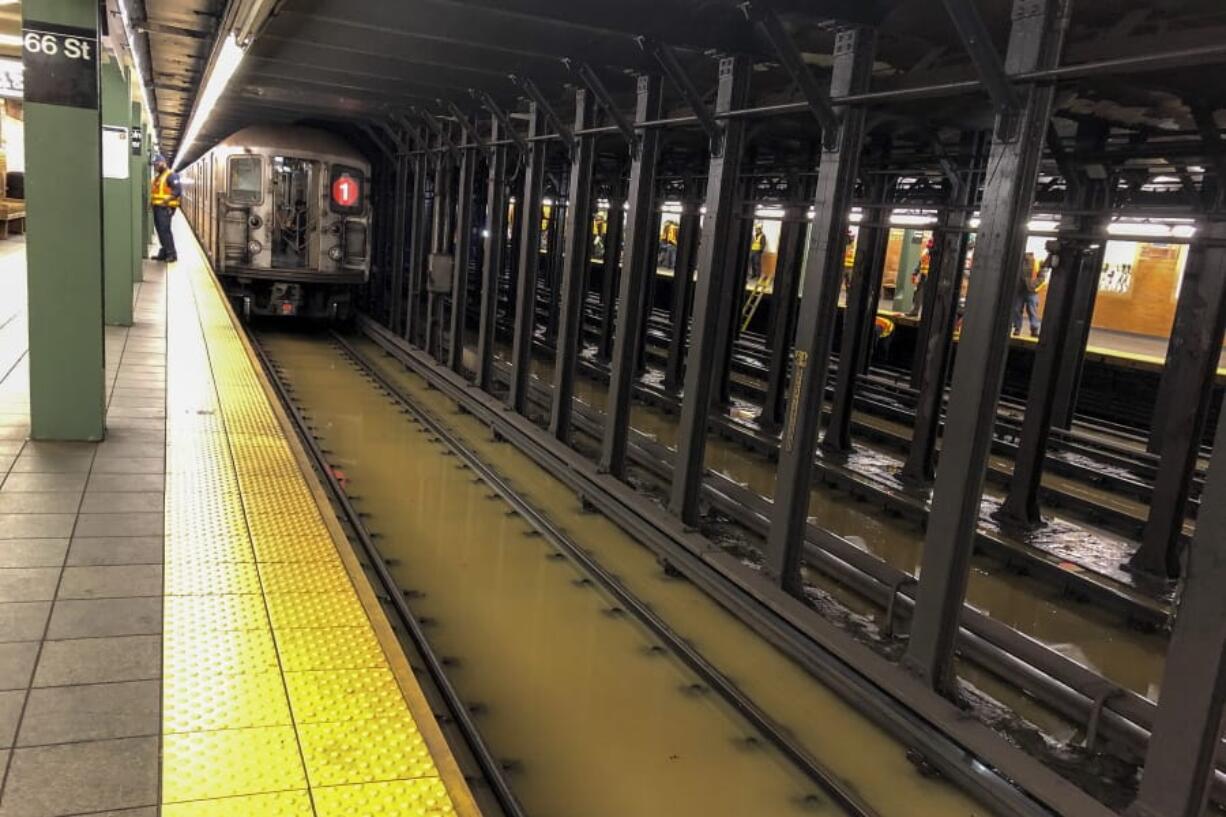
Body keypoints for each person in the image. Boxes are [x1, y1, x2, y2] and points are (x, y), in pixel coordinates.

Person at [150, 154, 182, 262]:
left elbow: (177, 191)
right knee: (160, 231)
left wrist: (165, 201)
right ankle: (164, 252)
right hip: (157, 207)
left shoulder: (171, 175)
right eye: (154, 165)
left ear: (163, 163)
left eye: (157, 164)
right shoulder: (159, 177)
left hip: (165, 208)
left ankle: (172, 254)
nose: (155, 167)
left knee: (165, 230)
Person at [1012, 251, 1046, 336]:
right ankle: (1017, 328)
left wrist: (1033, 285)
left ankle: (1034, 329)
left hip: (1032, 291)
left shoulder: (1036, 262)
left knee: (1031, 310)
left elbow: (1042, 277)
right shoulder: (1018, 261)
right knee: (1017, 309)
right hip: (1020, 290)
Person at [907, 238, 933, 317]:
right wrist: (915, 273)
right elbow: (920, 263)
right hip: (924, 275)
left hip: (930, 276)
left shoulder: (932, 252)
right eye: (929, 242)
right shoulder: (926, 251)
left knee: (927, 295)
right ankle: (915, 311)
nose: (928, 244)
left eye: (930, 243)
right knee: (918, 293)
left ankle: (926, 314)